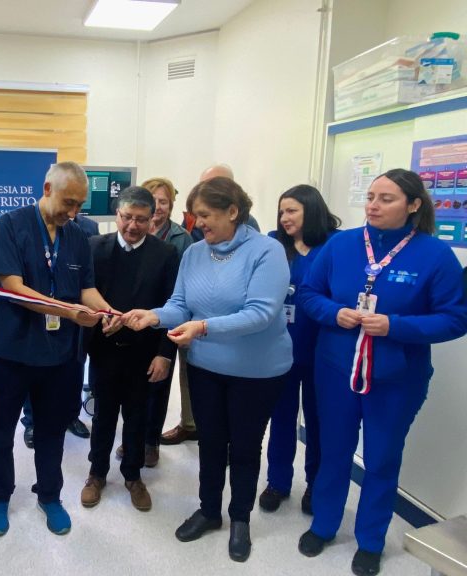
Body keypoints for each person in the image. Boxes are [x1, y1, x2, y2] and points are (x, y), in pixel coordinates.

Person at [296, 169, 467, 576]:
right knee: (333, 449)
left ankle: (371, 539)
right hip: (336, 369)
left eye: (386, 199)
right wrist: (334, 313)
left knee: (381, 459)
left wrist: (396, 326)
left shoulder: (435, 255)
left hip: (395, 377)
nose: (373, 205)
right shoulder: (341, 244)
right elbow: (308, 293)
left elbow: (455, 318)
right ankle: (323, 525)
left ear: (413, 205)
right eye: (371, 196)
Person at [123, 176, 291, 563]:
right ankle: (210, 511)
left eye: (205, 215)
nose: (198, 224)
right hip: (205, 367)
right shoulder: (196, 253)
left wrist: (204, 327)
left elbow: (262, 313)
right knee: (211, 442)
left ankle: (240, 520)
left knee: (245, 447)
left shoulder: (267, 251)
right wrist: (152, 316)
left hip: (257, 371)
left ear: (233, 212)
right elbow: (181, 304)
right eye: (194, 216)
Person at [0, 161, 118, 537]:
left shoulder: (77, 236)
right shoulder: (8, 226)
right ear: (46, 188)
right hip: (11, 351)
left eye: (79, 206)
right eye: (68, 202)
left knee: (52, 430)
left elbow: (85, 288)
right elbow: (12, 286)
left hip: (60, 355)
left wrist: (106, 309)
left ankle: (50, 495)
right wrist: (69, 311)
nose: (73, 212)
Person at [80, 186, 179, 511]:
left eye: (140, 219)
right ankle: (96, 473)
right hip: (104, 351)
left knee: (138, 417)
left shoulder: (165, 255)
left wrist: (165, 353)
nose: (132, 226)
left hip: (144, 354)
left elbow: (173, 306)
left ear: (152, 219)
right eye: (126, 218)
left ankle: (133, 476)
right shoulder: (94, 247)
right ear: (117, 215)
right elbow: (83, 294)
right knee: (103, 415)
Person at [258, 185, 340, 517]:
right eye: (281, 211)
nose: (284, 217)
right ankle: (278, 481)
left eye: (291, 210)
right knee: (281, 418)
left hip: (321, 350)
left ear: (311, 210)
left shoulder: (334, 245)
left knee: (319, 421)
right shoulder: (275, 244)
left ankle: (315, 484)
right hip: (281, 348)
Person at [21, 212, 100, 449]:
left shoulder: (87, 228)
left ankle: (71, 416)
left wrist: (103, 311)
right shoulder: (30, 227)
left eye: (78, 201)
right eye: (68, 200)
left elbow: (88, 277)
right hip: (39, 312)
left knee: (74, 367)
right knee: (33, 369)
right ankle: (32, 421)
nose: (72, 207)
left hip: (75, 316)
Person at [140, 177, 195, 459]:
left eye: (164, 201)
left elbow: (185, 284)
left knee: (159, 384)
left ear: (171, 206)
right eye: (153, 200)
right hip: (137, 319)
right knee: (134, 385)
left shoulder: (181, 238)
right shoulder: (133, 229)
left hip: (168, 319)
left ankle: (151, 443)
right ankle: (133, 439)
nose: (158, 207)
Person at [183, 164, 260, 241]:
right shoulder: (190, 223)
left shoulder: (248, 224)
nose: (198, 224)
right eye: (202, 186)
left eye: (204, 216)